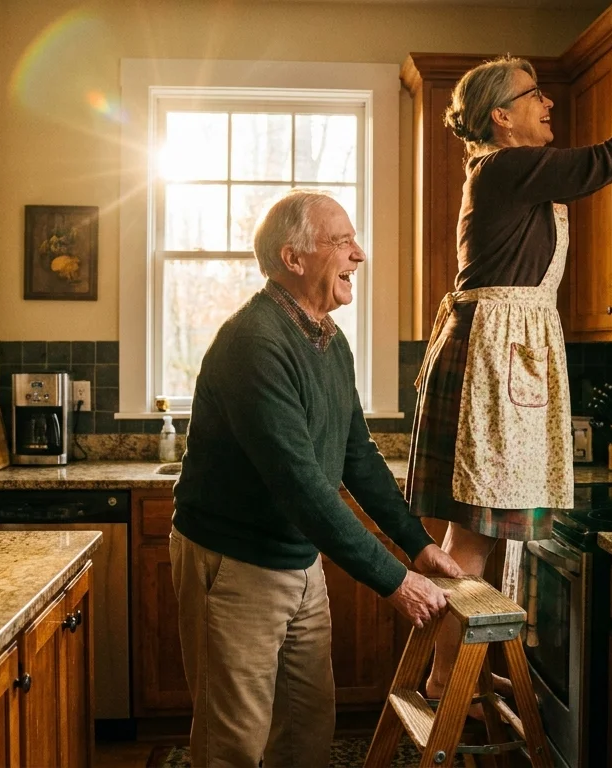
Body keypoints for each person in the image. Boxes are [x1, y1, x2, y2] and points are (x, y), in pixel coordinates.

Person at [408, 51, 612, 703]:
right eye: (533, 96)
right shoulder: (506, 166)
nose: (548, 103)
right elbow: (609, 160)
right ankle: (447, 676)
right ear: (501, 118)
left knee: (480, 536)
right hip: (495, 358)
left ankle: (452, 669)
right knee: (473, 539)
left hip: (502, 354)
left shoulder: (508, 172)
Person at [170, 190, 463, 767]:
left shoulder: (328, 338)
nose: (359, 254)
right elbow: (302, 485)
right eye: (342, 241)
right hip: (236, 565)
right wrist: (395, 582)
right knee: (233, 743)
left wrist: (418, 545)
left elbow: (357, 454)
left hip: (301, 563)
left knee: (307, 727)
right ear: (294, 258)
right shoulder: (254, 342)